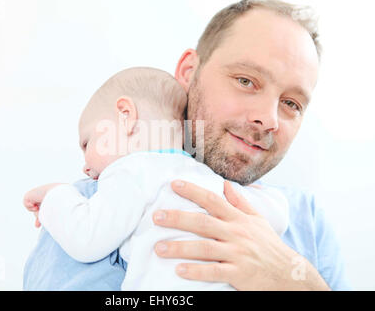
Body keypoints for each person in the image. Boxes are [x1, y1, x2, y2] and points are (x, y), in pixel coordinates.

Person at [23, 0, 351, 290]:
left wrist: (294, 282)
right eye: (246, 81)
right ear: (189, 72)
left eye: (292, 103)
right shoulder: (88, 205)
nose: (269, 119)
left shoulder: (306, 220)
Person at [23, 67, 290, 290]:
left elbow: (86, 240)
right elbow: (276, 217)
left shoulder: (130, 172)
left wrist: (55, 196)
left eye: (87, 143)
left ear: (125, 116)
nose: (84, 167)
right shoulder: (207, 177)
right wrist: (262, 193)